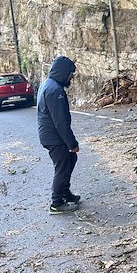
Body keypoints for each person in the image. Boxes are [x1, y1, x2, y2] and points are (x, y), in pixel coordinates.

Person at [37, 56, 80, 214]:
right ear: (64, 72)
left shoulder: (48, 85)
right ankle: (56, 203)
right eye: (71, 74)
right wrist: (72, 143)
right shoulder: (55, 90)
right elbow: (60, 122)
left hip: (50, 136)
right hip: (55, 138)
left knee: (70, 160)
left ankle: (65, 194)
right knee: (62, 167)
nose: (72, 78)